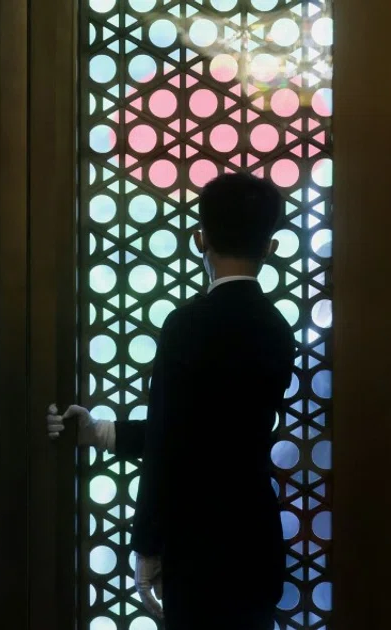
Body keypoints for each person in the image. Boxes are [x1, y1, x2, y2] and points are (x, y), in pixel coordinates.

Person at [48, 173, 295, 629]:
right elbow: (213, 431)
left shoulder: (187, 325)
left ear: (199, 238)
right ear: (270, 248)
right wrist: (103, 432)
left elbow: (173, 438)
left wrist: (147, 543)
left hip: (195, 546)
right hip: (255, 541)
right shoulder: (278, 330)